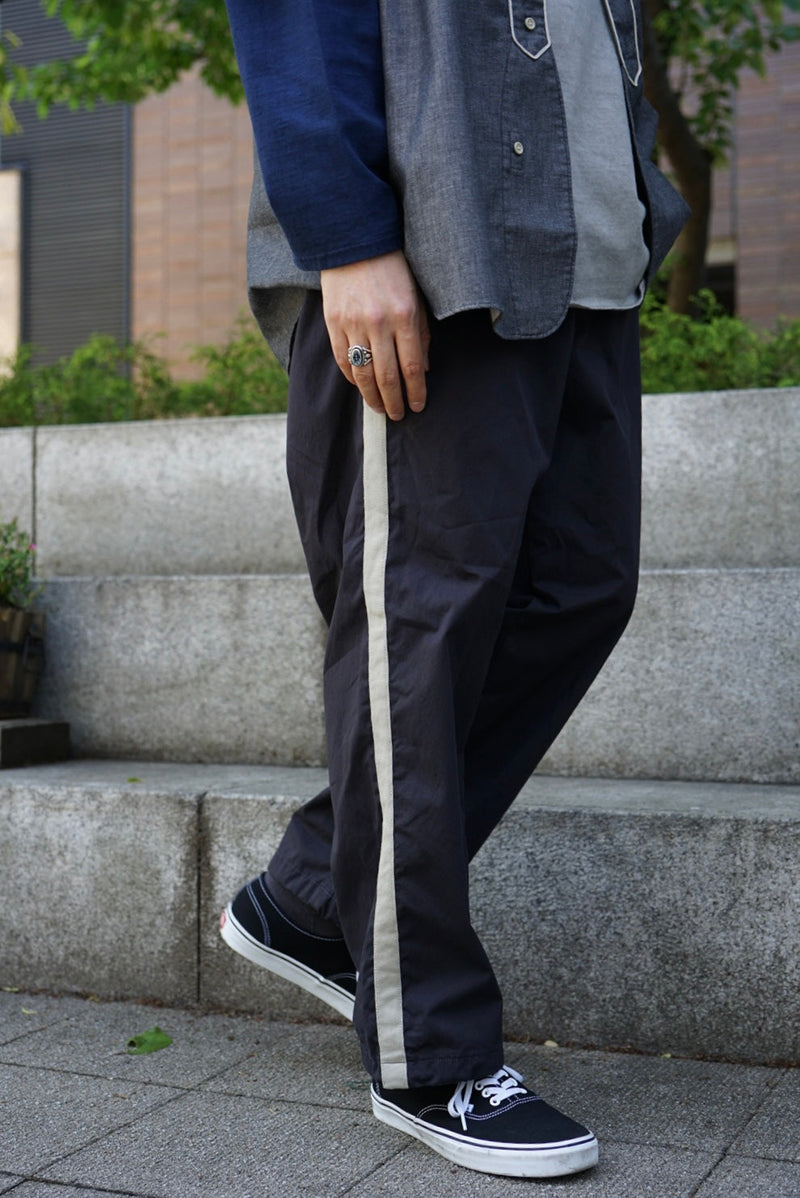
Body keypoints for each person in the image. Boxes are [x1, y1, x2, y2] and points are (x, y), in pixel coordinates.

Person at [219, 0, 688, 1179]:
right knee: (418, 639)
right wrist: (343, 230)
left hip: (580, 240)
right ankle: (427, 1050)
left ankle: (321, 892)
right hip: (431, 243)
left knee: (582, 586)